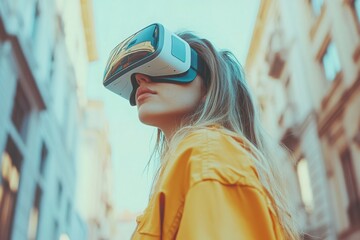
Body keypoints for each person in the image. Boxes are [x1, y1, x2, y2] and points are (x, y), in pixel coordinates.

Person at [104, 24, 300, 240]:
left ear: (208, 87)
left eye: (161, 66)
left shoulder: (209, 153)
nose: (141, 78)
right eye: (137, 74)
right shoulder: (191, 161)